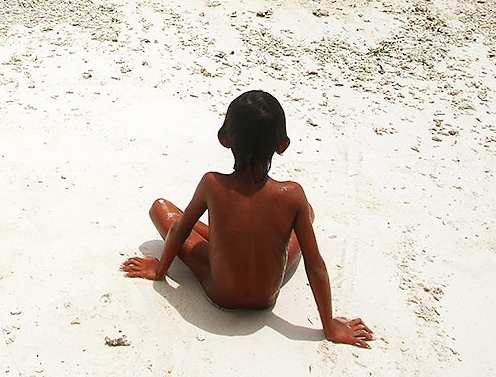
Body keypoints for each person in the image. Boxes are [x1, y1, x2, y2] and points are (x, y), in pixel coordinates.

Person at [121, 90, 373, 348]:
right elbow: (315, 265)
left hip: (221, 292)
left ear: (224, 139)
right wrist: (329, 327)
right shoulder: (293, 194)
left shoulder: (212, 184)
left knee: (162, 208)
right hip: (266, 296)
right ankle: (226, 236)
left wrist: (160, 270)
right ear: (282, 145)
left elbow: (177, 231)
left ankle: (218, 238)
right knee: (305, 210)